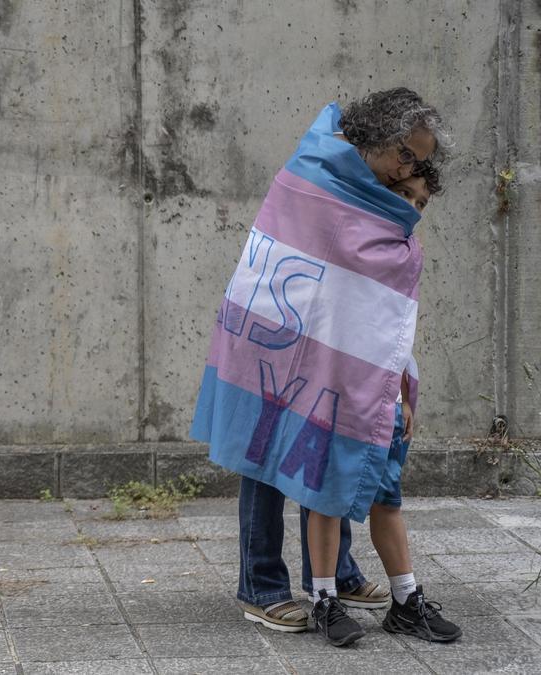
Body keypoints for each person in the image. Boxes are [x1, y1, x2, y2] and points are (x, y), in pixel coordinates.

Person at [190, 87, 451, 647]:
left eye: (420, 161)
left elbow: (371, 292)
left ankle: (334, 576)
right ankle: (260, 587)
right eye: (407, 154)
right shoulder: (313, 171)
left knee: (332, 437)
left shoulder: (384, 195)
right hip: (275, 335)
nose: (412, 167)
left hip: (338, 342)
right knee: (268, 452)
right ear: (377, 137)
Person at [298, 163, 462, 644]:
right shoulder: (346, 244)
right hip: (338, 393)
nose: (410, 207)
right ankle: (325, 601)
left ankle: (406, 601)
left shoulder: (407, 255)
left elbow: (400, 329)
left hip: (384, 398)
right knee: (326, 499)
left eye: (420, 202)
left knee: (387, 500)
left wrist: (404, 392)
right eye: (403, 195)